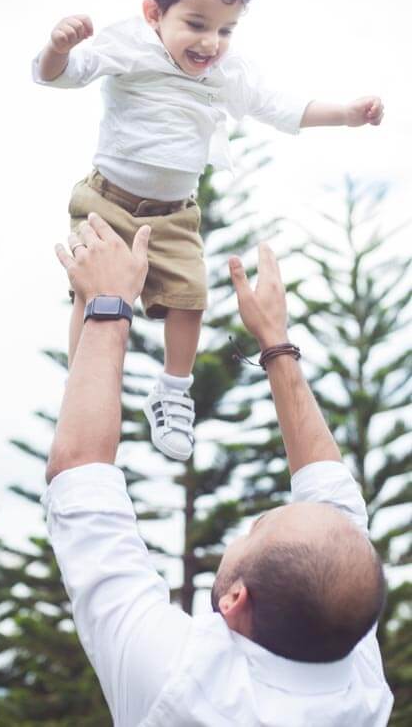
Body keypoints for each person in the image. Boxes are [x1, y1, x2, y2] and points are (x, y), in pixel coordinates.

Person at [32, 0, 385, 463]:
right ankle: (81, 386)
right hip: (106, 201)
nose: (210, 43)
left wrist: (346, 114)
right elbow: (59, 74)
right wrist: (57, 47)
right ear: (155, 14)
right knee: (92, 294)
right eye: (196, 24)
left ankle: (174, 390)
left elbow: (282, 107)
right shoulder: (129, 44)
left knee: (189, 300)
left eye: (225, 29)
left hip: (174, 214)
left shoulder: (228, 73)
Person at [42, 211, 393, 727]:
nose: (256, 522)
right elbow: (334, 505)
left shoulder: (174, 685)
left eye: (256, 529)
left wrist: (108, 303)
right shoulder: (352, 675)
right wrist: (275, 341)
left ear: (234, 599)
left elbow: (80, 472)